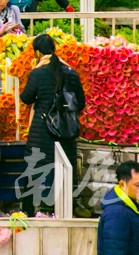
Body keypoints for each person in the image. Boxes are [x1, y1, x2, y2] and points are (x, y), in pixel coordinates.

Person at [20, 33, 86, 216]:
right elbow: (80, 103)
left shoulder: (38, 72)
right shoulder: (71, 72)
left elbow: (26, 98)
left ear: (37, 52)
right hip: (66, 132)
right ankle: (67, 210)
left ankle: (28, 211)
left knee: (33, 170)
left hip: (41, 134)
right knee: (65, 172)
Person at [97, 161, 139, 255]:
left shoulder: (133, 206)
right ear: (122, 185)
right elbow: (114, 251)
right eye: (138, 185)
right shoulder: (116, 213)